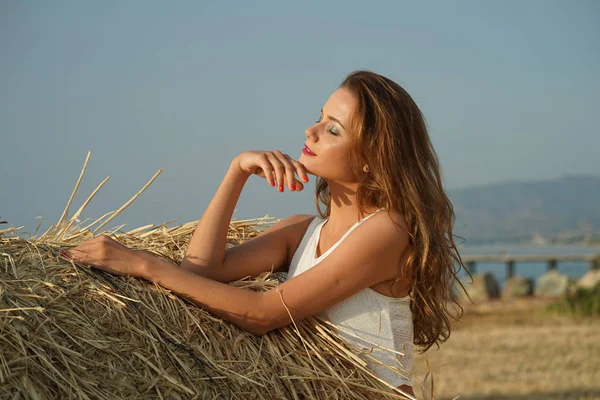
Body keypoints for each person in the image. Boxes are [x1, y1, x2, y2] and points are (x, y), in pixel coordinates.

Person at [66, 70, 465, 398]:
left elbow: (262, 315)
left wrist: (142, 264)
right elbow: (201, 272)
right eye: (319, 116)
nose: (311, 131)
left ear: (372, 158)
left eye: (333, 129)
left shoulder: (386, 231)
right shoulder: (302, 230)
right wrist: (236, 171)